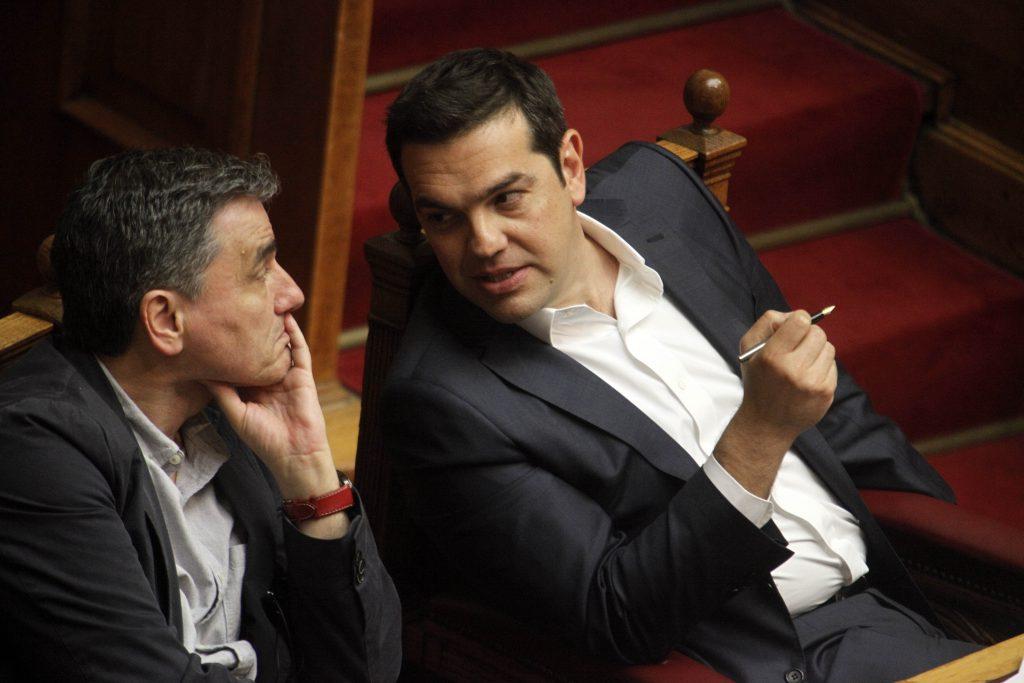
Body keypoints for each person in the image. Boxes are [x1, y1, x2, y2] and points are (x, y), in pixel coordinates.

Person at [380, 48, 979, 682]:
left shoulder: (660, 193)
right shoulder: (442, 401)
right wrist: (760, 430)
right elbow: (614, 614)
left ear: (570, 167)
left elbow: (838, 416)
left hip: (899, 610)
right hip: (775, 659)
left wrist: (958, 561)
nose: (483, 244)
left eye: (507, 198)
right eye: (442, 217)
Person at [0, 148, 401, 681]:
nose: (293, 294)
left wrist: (308, 471)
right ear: (166, 319)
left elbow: (371, 667)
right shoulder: (33, 450)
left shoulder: (233, 410)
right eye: (261, 271)